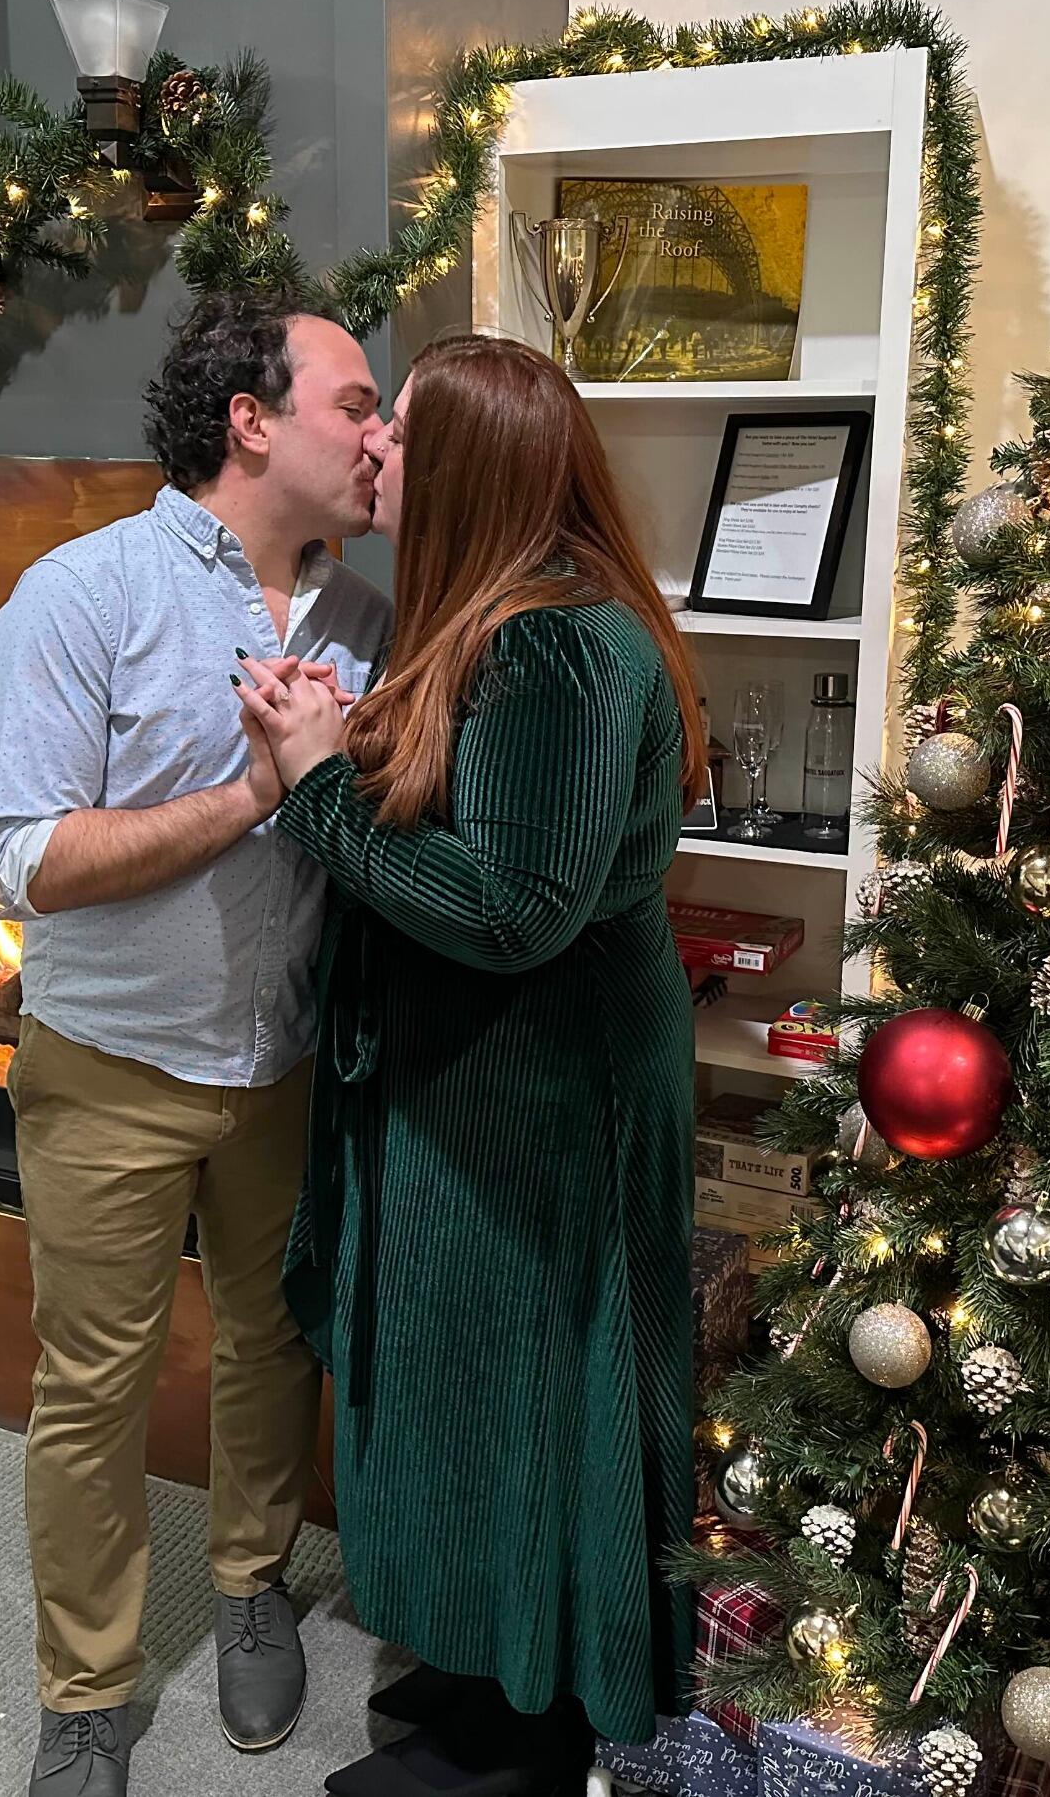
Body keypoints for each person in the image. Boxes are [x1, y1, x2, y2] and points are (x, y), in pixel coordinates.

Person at [237, 333, 701, 1796]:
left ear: (475, 465)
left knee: (528, 1386)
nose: (371, 449)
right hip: (483, 1084)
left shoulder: (558, 647)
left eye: (401, 431)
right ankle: (488, 1669)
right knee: (468, 1379)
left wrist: (315, 784)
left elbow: (508, 912)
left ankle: (528, 1727)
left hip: (542, 1097)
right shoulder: (492, 624)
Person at [0, 291, 393, 1797]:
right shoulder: (80, 595)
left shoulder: (366, 613)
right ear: (252, 420)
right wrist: (257, 794)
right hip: (110, 1067)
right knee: (93, 1385)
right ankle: (87, 1688)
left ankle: (247, 1583)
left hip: (282, 1060)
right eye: (357, 403)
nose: (380, 433)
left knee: (273, 1343)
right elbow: (23, 861)